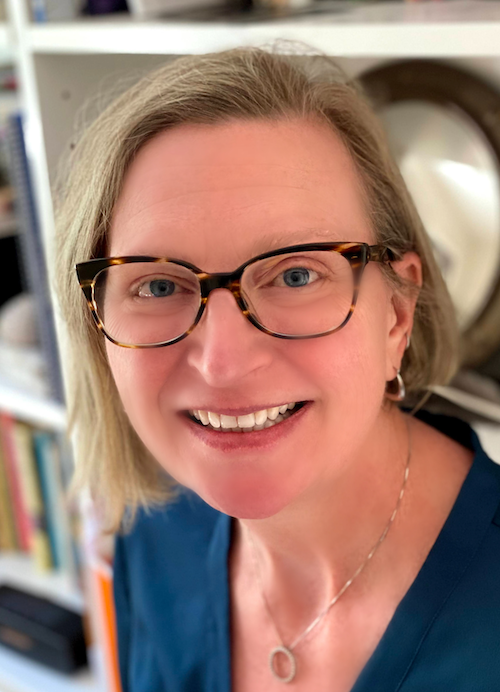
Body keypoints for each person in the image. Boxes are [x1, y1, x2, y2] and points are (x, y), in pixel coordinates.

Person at [54, 47, 500, 692]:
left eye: (296, 275)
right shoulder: (151, 542)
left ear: (397, 314)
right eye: (156, 286)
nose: (223, 362)